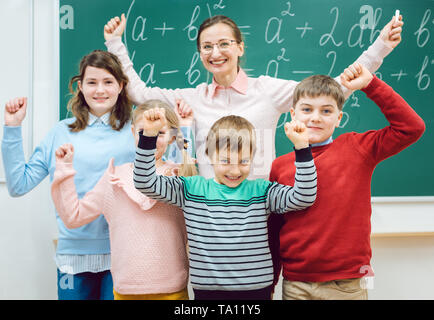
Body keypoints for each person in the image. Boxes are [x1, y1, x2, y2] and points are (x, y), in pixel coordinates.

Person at [103, 13, 403, 181]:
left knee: (261, 285)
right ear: (199, 54)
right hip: (209, 211)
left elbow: (334, 88)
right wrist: (115, 42)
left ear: (240, 47)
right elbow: (138, 93)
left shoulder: (268, 90)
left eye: (224, 44)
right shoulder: (192, 98)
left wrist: (380, 48)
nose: (215, 53)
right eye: (207, 47)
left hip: (262, 208)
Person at [1, 50, 191, 300]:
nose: (100, 90)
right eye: (92, 82)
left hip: (126, 257)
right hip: (74, 254)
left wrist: (186, 128)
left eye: (108, 82)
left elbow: (176, 171)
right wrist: (12, 128)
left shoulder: (138, 132)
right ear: (80, 86)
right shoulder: (61, 132)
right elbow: (18, 185)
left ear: (121, 86)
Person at [268, 62, 425, 300]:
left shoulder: (358, 148)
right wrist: (271, 281)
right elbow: (275, 227)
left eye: (326, 111)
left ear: (339, 118)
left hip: (347, 284)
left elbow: (412, 128)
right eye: (307, 109)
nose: (315, 118)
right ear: (293, 115)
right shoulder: (280, 165)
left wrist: (371, 85)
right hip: (297, 283)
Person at [133, 109, 317, 300]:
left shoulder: (262, 191)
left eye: (244, 161)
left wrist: (302, 147)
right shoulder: (191, 189)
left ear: (253, 157)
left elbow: (304, 196)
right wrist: (149, 136)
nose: (235, 170)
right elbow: (145, 182)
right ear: (210, 156)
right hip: (208, 293)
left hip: (256, 291)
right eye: (226, 161)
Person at [51, 100, 196, 300]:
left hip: (172, 290)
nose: (151, 139)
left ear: (172, 137)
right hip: (125, 290)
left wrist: (186, 128)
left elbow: (190, 169)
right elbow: (73, 217)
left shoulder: (180, 175)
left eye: (159, 133)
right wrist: (64, 171)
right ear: (133, 131)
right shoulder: (113, 178)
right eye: (145, 133)